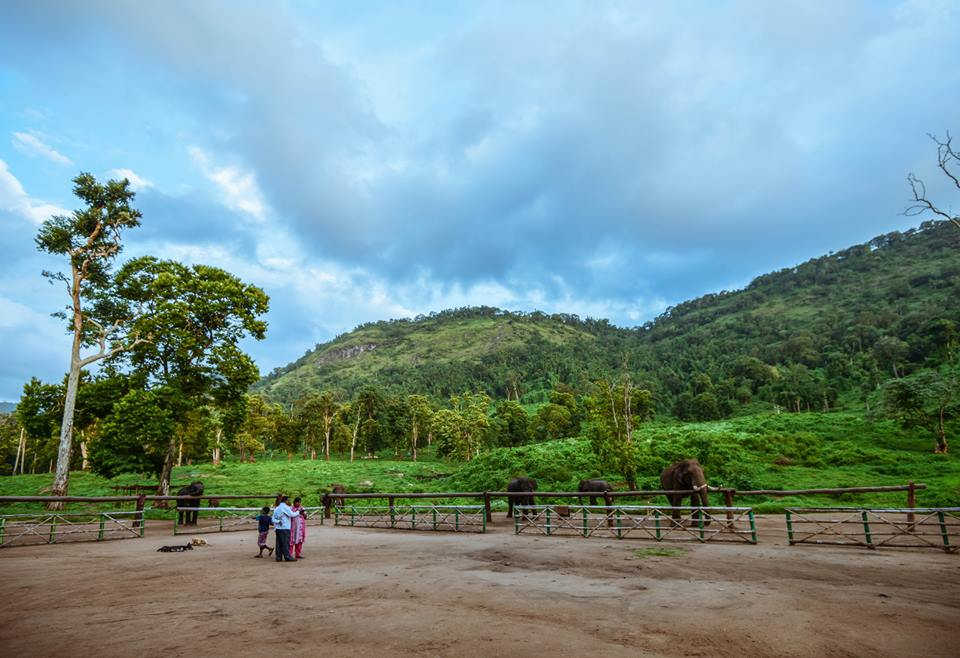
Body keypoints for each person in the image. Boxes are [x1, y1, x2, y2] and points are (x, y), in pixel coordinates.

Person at [271, 495, 299, 562]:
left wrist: (278, 521)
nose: (289, 502)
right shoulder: (285, 507)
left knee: (279, 543)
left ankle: (278, 557)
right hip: (285, 527)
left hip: (278, 528)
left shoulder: (277, 508)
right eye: (288, 500)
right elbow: (292, 514)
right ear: (286, 500)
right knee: (285, 542)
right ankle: (287, 556)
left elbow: (273, 518)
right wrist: (298, 512)